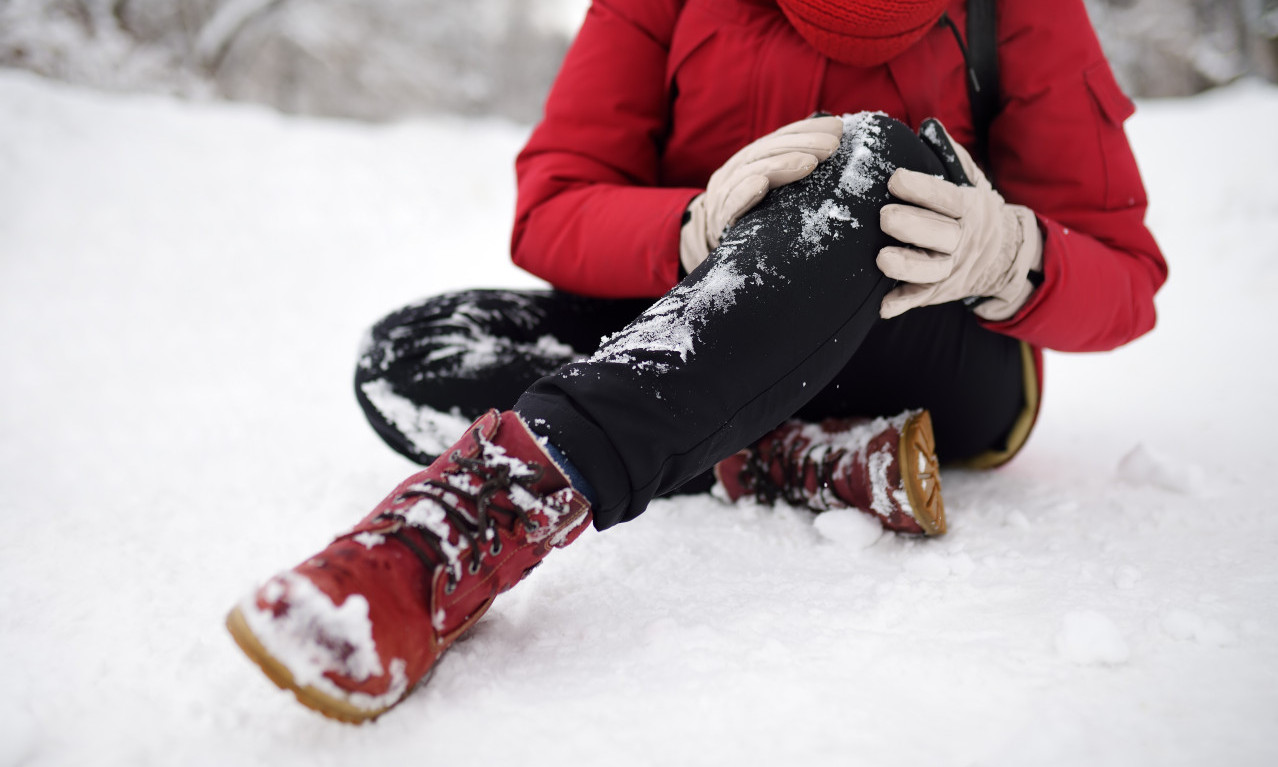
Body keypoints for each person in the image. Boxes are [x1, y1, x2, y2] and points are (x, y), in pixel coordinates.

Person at [226, 0, 1166, 723]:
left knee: (869, 157)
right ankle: (777, 457)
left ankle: (471, 521)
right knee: (413, 354)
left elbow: (1128, 273)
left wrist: (1012, 254)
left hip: (928, 351)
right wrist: (692, 225)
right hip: (698, 319)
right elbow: (552, 201)